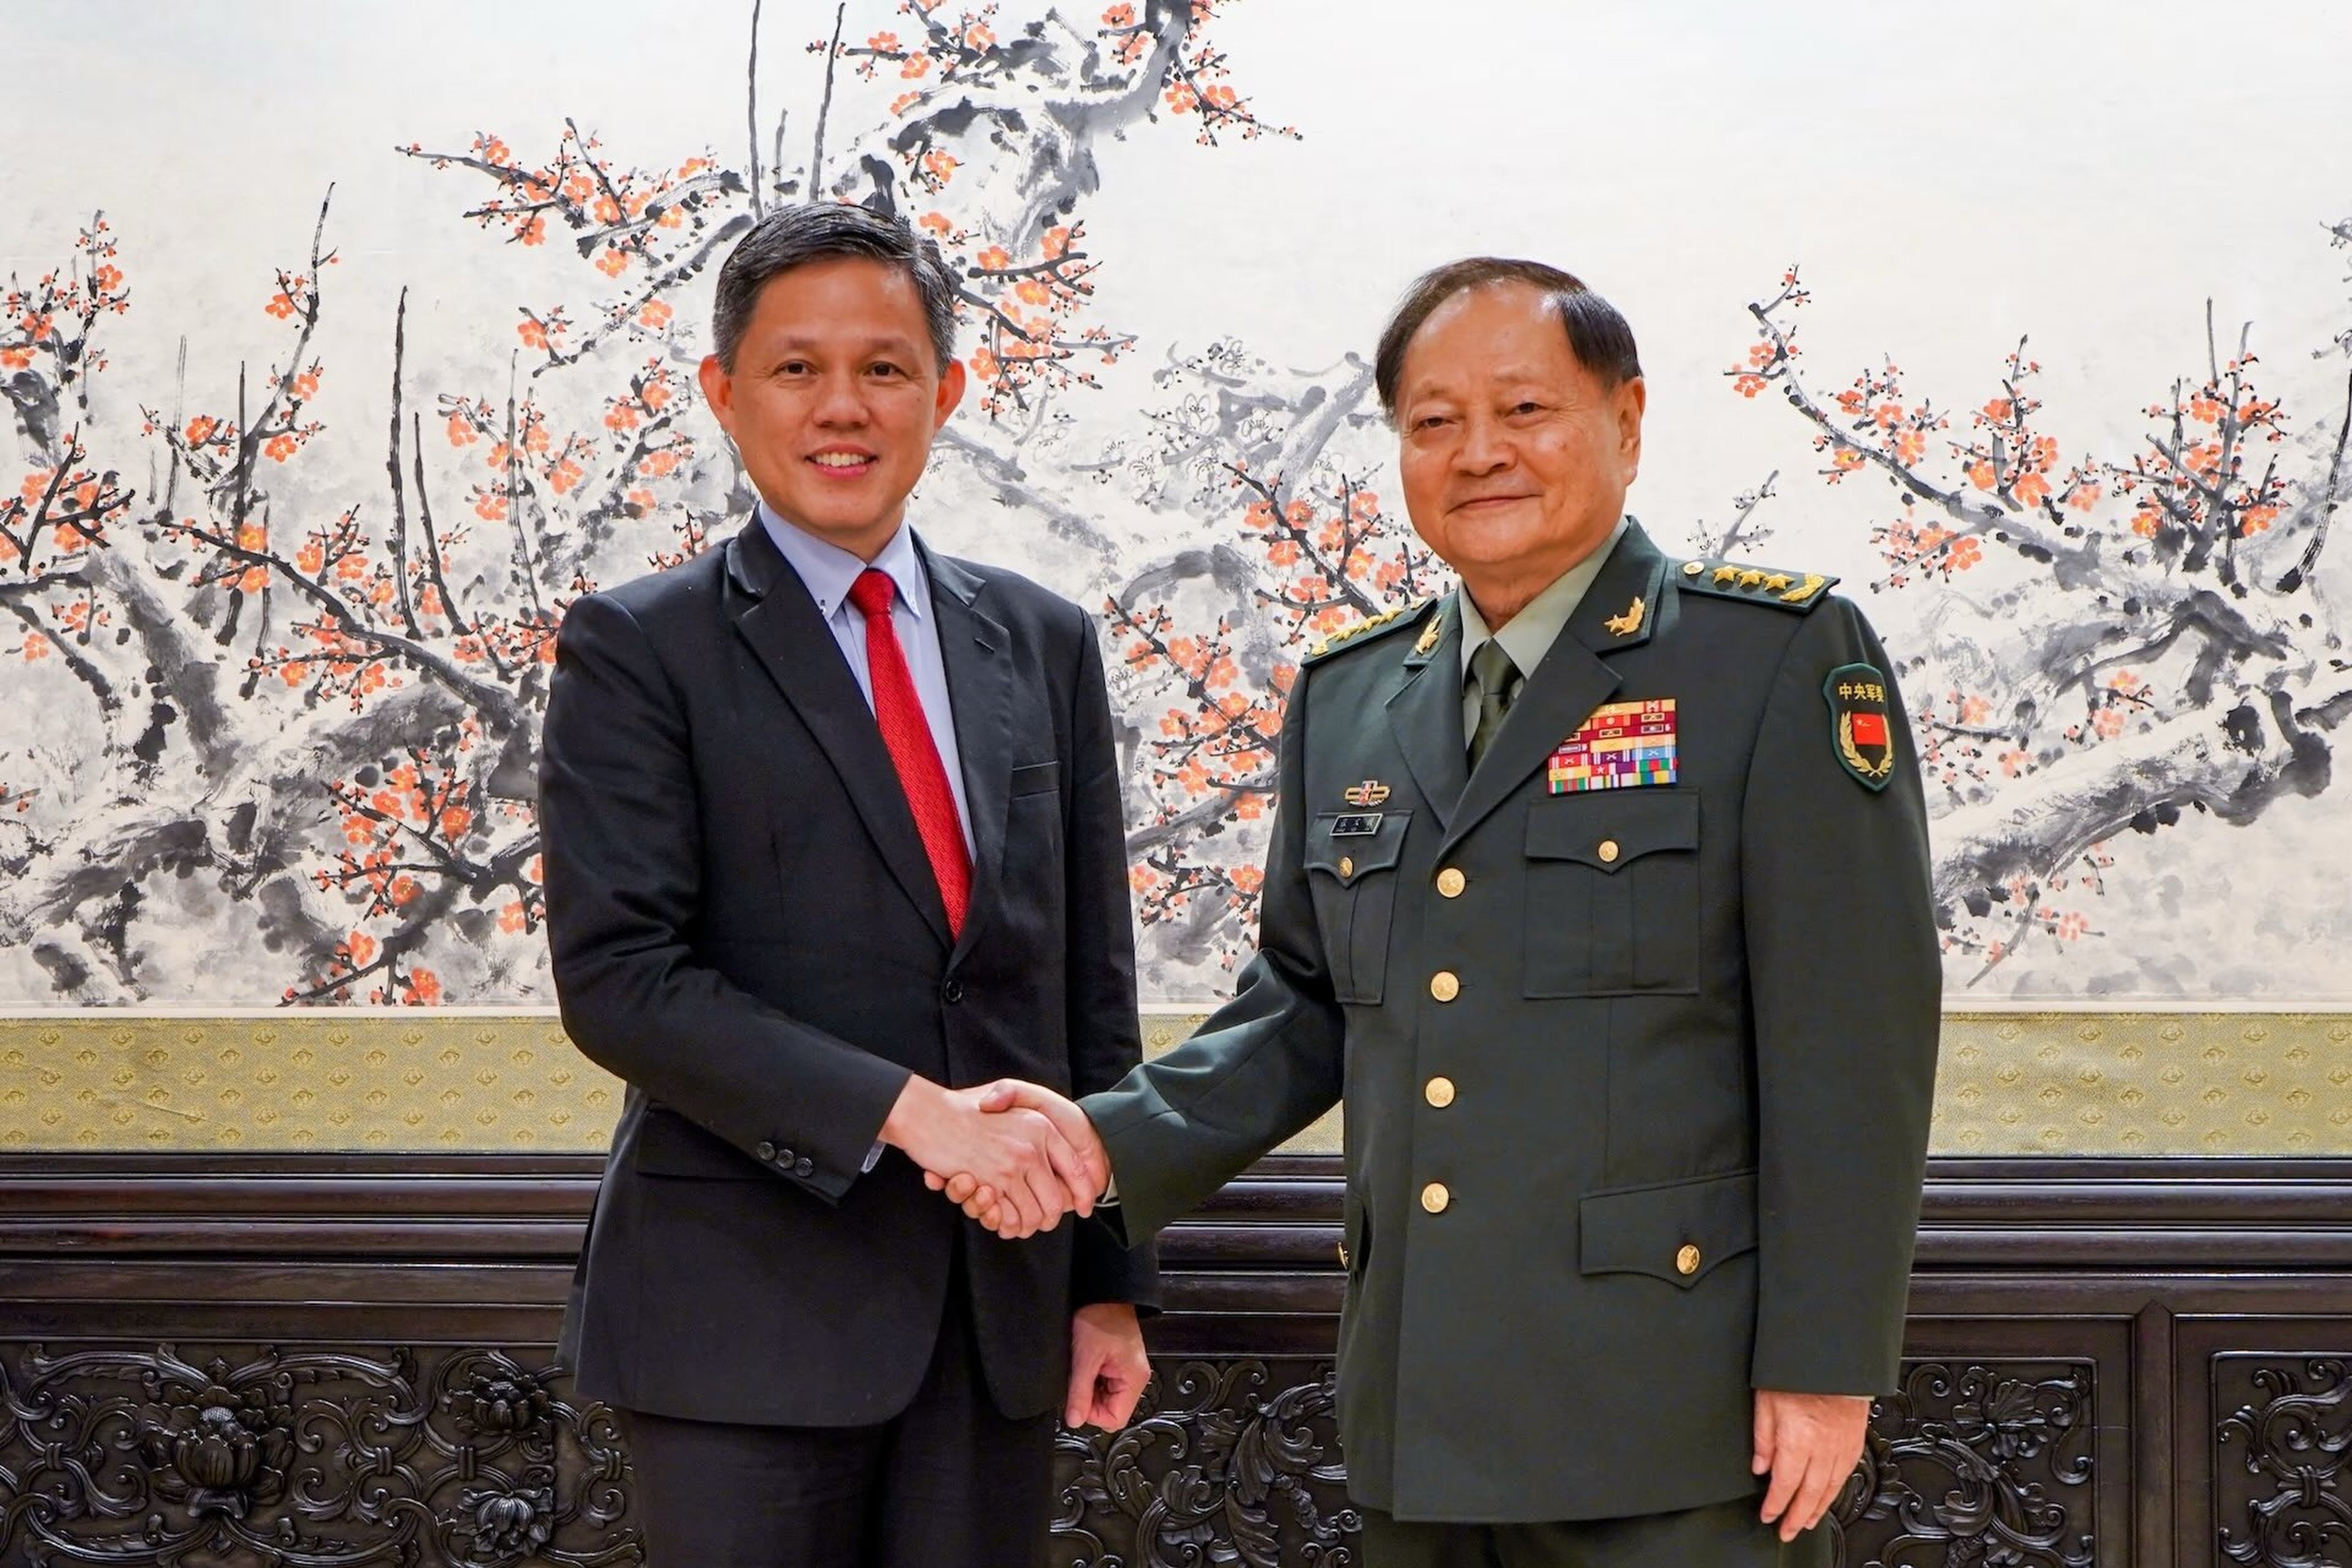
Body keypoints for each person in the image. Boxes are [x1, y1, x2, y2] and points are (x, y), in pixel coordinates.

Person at [956, 257, 1940, 1566]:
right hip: (1422, 1401)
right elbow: (1302, 1006)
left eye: (1524, 410)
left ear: (1627, 421)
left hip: (1680, 1409)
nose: (1478, 452)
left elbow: (1852, 1042)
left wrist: (1825, 1364)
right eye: (1433, 421)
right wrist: (1099, 1141)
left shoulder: (1767, 661)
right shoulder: (1350, 698)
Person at [538, 200, 1155, 1568]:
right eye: (795, 367)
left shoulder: (1042, 642)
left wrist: (1107, 1280)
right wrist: (918, 1119)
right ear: (724, 393)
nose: (842, 406)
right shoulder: (639, 648)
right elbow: (622, 984)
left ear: (946, 391)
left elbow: (1088, 990)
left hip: (997, 1313)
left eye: (883, 367)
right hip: (740, 1321)